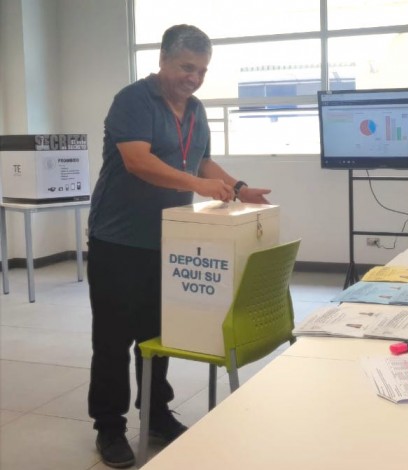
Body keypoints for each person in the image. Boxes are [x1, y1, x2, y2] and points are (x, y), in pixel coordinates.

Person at [87, 24, 270, 468]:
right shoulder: (133, 100)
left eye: (202, 70)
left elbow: (201, 159)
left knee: (158, 332)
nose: (194, 77)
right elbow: (139, 161)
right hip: (119, 239)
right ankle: (109, 426)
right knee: (114, 337)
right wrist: (201, 186)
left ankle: (154, 414)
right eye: (187, 67)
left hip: (171, 238)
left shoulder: (195, 108)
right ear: (164, 60)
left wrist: (237, 186)